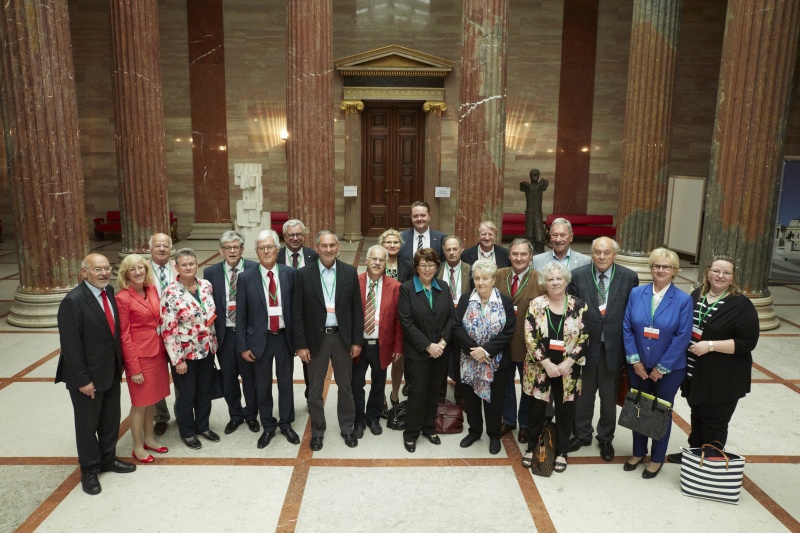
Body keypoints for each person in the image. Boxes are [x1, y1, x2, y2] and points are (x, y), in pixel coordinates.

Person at [667, 255, 759, 464]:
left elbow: (747, 343)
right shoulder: (697, 295)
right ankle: (694, 454)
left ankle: (710, 462)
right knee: (698, 414)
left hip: (723, 377)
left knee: (715, 420)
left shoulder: (741, 305)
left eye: (726, 272)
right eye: (716, 271)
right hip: (697, 371)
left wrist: (710, 345)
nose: (720, 276)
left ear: (733, 276)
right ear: (708, 272)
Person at [56, 253, 136, 495]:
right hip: (87, 377)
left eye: (107, 268)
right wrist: (83, 380)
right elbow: (70, 346)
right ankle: (89, 470)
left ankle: (108, 458)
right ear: (84, 272)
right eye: (97, 269)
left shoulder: (108, 292)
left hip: (110, 370)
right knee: (87, 426)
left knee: (110, 419)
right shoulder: (73, 301)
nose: (104, 273)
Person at [622, 247, 692, 479]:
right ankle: (638, 452)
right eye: (657, 266)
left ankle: (657, 457)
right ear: (651, 268)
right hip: (638, 366)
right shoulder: (636, 293)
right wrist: (635, 361)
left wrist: (662, 368)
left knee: (661, 411)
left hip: (670, 370)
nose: (661, 270)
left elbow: (683, 335)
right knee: (639, 408)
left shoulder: (683, 300)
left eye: (666, 267)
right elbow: (627, 327)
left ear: (674, 271)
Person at [567, 237, 638, 461]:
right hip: (586, 346)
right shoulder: (578, 275)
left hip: (614, 347)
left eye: (607, 252)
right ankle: (582, 434)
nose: (601, 257)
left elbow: (632, 314)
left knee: (609, 398)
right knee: (584, 395)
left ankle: (606, 438)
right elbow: (572, 313)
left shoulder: (629, 277)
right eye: (597, 252)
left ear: (614, 255)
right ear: (591, 253)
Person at [293, 230, 364, 451]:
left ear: (338, 247)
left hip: (342, 338)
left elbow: (356, 309)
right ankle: (317, 430)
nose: (328, 249)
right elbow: (297, 313)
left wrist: (357, 341)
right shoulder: (303, 274)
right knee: (315, 389)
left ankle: (347, 428)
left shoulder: (349, 272)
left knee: (345, 386)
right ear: (317, 248)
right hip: (316, 339)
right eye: (324, 245)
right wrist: (301, 345)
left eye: (332, 245)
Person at [521, 261, 588, 473]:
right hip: (540, 368)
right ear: (544, 282)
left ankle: (562, 451)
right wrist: (547, 363)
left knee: (565, 410)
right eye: (550, 279)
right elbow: (530, 337)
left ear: (566, 280)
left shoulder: (579, 305)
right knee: (536, 410)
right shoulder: (536, 304)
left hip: (568, 370)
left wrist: (569, 362)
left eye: (559, 278)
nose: (555, 282)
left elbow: (585, 337)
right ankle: (531, 447)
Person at [236, 230, 300, 448]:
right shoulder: (246, 278)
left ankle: (286, 424)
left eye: (270, 247)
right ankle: (268, 426)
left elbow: (297, 311)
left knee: (286, 384)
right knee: (262, 386)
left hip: (283, 338)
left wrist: (299, 342)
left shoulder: (290, 274)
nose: (266, 251)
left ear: (277, 250)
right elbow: (241, 316)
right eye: (262, 248)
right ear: (256, 251)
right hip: (258, 340)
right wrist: (243, 346)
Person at [159, 248, 220, 450]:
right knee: (187, 395)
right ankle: (188, 432)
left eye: (192, 264)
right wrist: (178, 360)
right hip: (185, 355)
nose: (188, 267)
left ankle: (203, 426)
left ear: (197, 265)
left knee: (204, 392)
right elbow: (168, 330)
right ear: (176, 267)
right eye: (184, 264)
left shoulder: (206, 285)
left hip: (207, 349)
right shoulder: (170, 292)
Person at [454, 259, 516, 454]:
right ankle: (474, 431)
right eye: (477, 278)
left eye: (485, 278)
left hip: (495, 362)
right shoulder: (466, 299)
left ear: (494, 279)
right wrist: (474, 350)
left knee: (494, 402)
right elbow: (456, 326)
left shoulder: (505, 301)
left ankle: (494, 435)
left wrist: (486, 350)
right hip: (469, 360)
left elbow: (508, 331)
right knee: (470, 400)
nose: (480, 282)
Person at [397, 248, 454, 453]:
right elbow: (406, 322)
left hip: (441, 351)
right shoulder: (406, 289)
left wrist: (442, 343)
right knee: (418, 392)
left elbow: (451, 317)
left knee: (434, 392)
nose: (427, 269)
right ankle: (411, 433)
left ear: (437, 266)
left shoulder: (443, 286)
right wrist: (428, 346)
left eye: (431, 264)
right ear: (416, 267)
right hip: (418, 353)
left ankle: (429, 428)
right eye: (423, 265)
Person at [203, 231, 259, 435]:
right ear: (221, 251)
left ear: (242, 249)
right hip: (224, 334)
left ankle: (251, 414)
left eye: (236, 247)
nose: (232, 251)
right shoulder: (211, 273)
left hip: (248, 333)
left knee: (250, 378)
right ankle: (235, 415)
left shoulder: (254, 268)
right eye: (228, 248)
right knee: (229, 378)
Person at [116, 254, 171, 464]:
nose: (138, 272)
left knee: (152, 401)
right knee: (140, 403)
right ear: (126, 274)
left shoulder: (151, 289)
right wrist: (134, 368)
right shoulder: (123, 298)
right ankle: (137, 447)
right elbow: (124, 335)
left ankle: (149, 439)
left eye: (141, 268)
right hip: (140, 357)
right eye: (133, 269)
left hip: (157, 352)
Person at [352, 245, 403, 438]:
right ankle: (359, 419)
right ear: (366, 260)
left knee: (378, 384)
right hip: (359, 345)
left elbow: (399, 321)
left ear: (386, 263)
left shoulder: (395, 286)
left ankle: (373, 417)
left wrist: (398, 347)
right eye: (374, 259)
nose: (377, 263)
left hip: (382, 345)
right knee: (356, 384)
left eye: (381, 260)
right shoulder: (355, 282)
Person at [496, 238, 543, 444]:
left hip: (528, 345)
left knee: (527, 385)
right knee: (505, 384)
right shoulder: (499, 275)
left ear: (530, 256)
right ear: (509, 255)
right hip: (503, 343)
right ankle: (508, 419)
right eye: (515, 254)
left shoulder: (539, 279)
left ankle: (525, 423)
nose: (519, 258)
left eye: (523, 254)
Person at [278, 219, 318, 399]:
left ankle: (312, 397)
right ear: (284, 236)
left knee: (310, 363)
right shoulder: (275, 255)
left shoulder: (313, 256)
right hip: (282, 319)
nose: (295, 238)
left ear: (304, 235)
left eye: (299, 234)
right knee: (284, 366)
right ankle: (287, 403)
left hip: (307, 318)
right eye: (291, 235)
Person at [380, 228, 413, 409]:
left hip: (402, 316)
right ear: (382, 244)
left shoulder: (408, 265)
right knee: (381, 358)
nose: (392, 245)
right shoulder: (377, 263)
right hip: (381, 317)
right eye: (388, 242)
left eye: (395, 242)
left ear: (400, 245)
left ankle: (394, 393)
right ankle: (381, 396)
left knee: (398, 357)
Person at [437, 235, 472, 404]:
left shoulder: (470, 270)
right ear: (443, 251)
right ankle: (439, 399)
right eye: (448, 249)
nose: (451, 252)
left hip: (463, 324)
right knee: (440, 363)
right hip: (441, 323)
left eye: (455, 249)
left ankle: (461, 399)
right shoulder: (436, 269)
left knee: (461, 362)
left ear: (461, 250)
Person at [149, 232, 176, 436]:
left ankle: (183, 412)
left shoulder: (179, 266)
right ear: (150, 248)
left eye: (165, 246)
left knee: (182, 373)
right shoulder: (142, 270)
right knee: (156, 377)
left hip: (177, 331)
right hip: (153, 332)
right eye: (157, 245)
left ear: (171, 248)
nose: (161, 249)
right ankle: (161, 417)